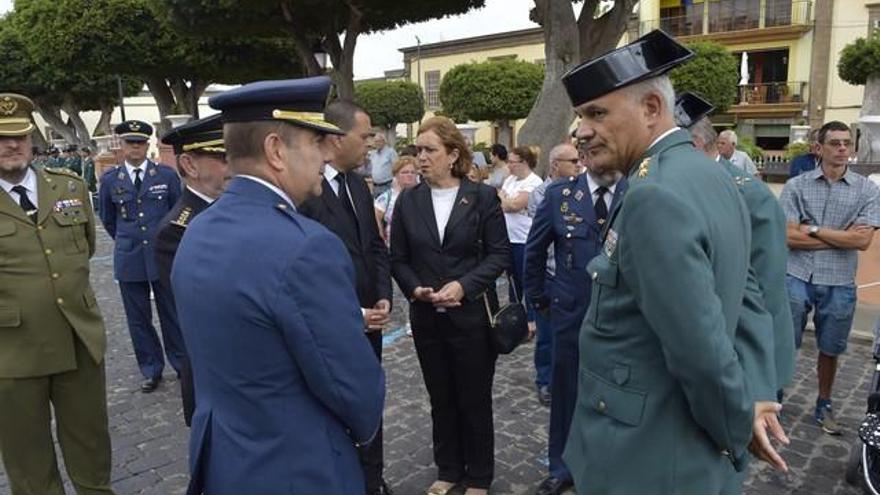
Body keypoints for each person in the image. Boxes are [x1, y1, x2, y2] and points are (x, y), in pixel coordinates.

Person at [560, 30, 782, 494]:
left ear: (651, 110)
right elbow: (749, 299)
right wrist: (759, 391)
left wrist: (737, 427)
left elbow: (699, 351)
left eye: (597, 113)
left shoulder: (654, 194)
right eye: (582, 115)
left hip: (648, 457)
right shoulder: (714, 176)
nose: (581, 130)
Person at [171, 76, 385, 495]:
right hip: (296, 466)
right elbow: (353, 389)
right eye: (314, 141)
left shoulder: (197, 228)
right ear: (275, 151)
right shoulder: (306, 247)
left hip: (225, 461)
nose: (326, 154)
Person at [678, 92, 795, 492]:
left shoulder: (745, 192)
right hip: (713, 359)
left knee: (721, 465)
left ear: (693, 145)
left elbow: (762, 292)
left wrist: (751, 381)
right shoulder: (700, 185)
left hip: (738, 360)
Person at [0, 93, 115, 494]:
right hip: (11, 354)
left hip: (77, 340)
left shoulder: (70, 186)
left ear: (32, 139)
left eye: (18, 136)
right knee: (29, 467)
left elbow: (87, 249)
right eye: (0, 138)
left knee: (92, 453)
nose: (11, 145)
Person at [390, 116, 509, 495]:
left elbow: (498, 255)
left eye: (429, 151)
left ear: (453, 154)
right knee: (440, 397)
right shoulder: (408, 200)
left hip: (472, 318)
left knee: (474, 398)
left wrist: (464, 285)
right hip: (427, 318)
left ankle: (478, 476)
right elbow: (398, 259)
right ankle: (448, 468)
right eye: (417, 151)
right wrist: (415, 290)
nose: (421, 158)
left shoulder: (482, 196)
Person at [298, 99, 393, 495]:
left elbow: (373, 246)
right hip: (333, 323)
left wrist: (384, 295)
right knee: (335, 405)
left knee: (369, 401)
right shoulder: (307, 190)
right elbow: (305, 272)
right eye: (365, 135)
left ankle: (372, 479)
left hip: (372, 321)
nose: (370, 143)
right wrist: (353, 312)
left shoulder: (357, 183)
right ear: (337, 139)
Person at [524, 143, 627, 495]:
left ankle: (607, 467)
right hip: (569, 312)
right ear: (583, 159)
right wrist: (538, 301)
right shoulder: (559, 196)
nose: (605, 159)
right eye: (596, 153)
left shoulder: (638, 193)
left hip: (621, 317)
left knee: (616, 392)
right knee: (566, 391)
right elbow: (534, 252)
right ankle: (562, 466)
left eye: (610, 152)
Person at [780, 120, 880, 435]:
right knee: (784, 341)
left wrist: (810, 228)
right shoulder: (797, 186)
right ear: (819, 148)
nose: (841, 149)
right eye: (834, 143)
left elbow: (862, 241)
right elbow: (786, 237)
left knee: (831, 347)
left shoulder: (867, 190)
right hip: (796, 274)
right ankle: (775, 397)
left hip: (839, 279)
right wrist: (839, 236)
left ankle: (824, 403)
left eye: (846, 143)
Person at [154, 114, 230, 427]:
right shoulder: (178, 230)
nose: (234, 167)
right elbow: (206, 312)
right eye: (223, 158)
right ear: (189, 165)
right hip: (217, 375)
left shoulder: (232, 210)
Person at [98, 120, 184, 393]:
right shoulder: (111, 180)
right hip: (130, 257)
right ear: (121, 146)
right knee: (138, 319)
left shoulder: (166, 176)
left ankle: (182, 364)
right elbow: (108, 219)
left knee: (172, 313)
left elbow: (178, 213)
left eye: (140, 142)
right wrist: (128, 241)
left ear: (147, 145)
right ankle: (151, 368)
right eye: (130, 142)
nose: (135, 147)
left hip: (162, 256)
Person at [498, 145, 544, 393]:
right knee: (513, 283)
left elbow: (513, 206)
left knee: (529, 282)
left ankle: (532, 322)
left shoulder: (534, 182)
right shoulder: (510, 179)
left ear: (525, 161)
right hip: (509, 238)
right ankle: (517, 322)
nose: (510, 165)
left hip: (526, 239)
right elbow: (502, 201)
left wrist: (506, 199)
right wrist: (506, 199)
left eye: (514, 161)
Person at [374, 155, 418, 246]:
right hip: (393, 247)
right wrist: (381, 238)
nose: (409, 175)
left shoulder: (423, 195)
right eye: (404, 172)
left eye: (412, 172)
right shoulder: (387, 197)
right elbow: (376, 218)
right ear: (396, 175)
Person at [368, 132, 397, 198]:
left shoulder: (390, 152)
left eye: (378, 141)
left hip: (387, 185)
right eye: (375, 141)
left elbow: (396, 167)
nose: (376, 143)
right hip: (375, 186)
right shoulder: (373, 154)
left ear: (383, 141)